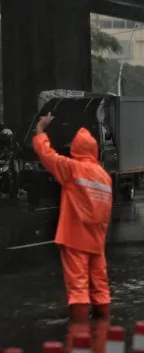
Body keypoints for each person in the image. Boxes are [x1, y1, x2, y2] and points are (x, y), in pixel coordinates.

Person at [32, 112, 114, 323]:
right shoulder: (104, 176)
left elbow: (47, 154)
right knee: (100, 287)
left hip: (75, 238)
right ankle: (103, 330)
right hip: (97, 241)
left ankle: (79, 335)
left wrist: (41, 130)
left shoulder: (72, 169)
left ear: (75, 149)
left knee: (78, 288)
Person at [0, 128, 22, 198]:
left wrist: (14, 155)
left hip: (12, 160)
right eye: (3, 137)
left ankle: (17, 189)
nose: (5, 139)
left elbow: (19, 151)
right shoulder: (1, 144)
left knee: (16, 171)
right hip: (2, 160)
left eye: (6, 137)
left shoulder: (14, 144)